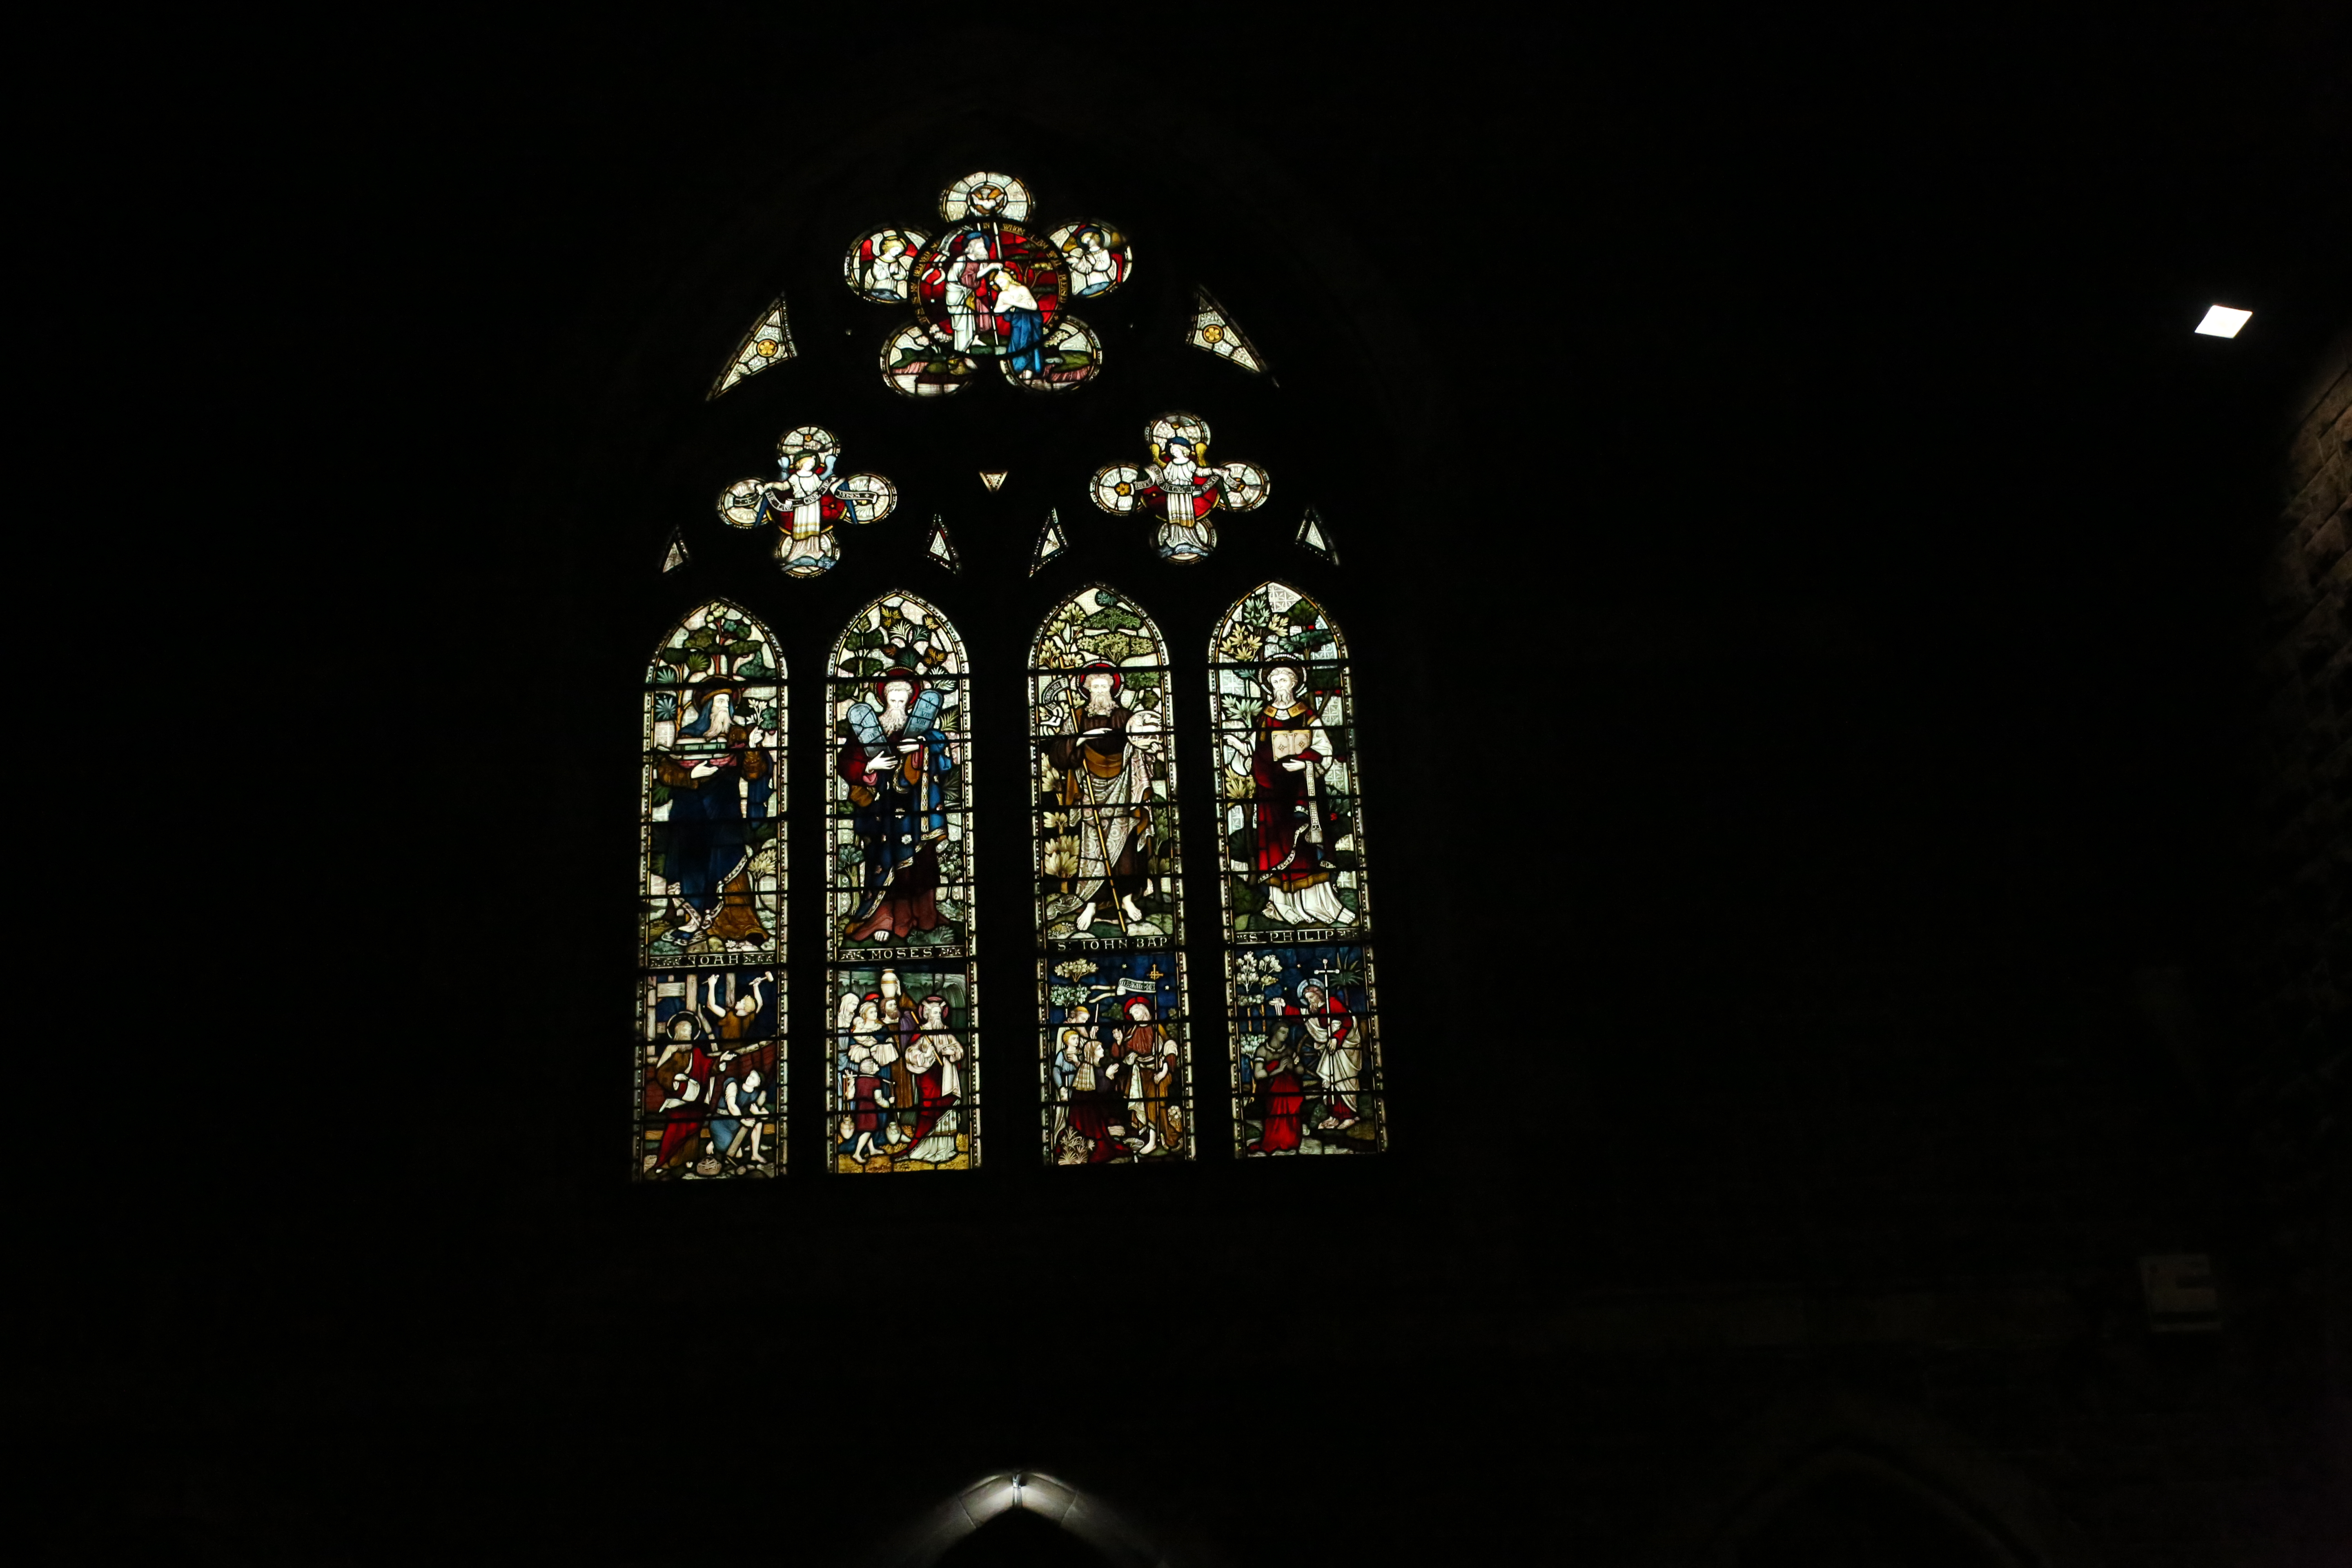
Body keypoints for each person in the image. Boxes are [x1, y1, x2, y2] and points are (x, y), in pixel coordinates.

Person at [1037, 662, 1161, 934]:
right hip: (1090, 790)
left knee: (1126, 846)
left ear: (1113, 690)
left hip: (1124, 787)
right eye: (1096, 687)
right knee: (1092, 848)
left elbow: (1140, 740)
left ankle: (1127, 899)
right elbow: (1058, 753)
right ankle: (1091, 903)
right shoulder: (1077, 718)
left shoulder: (1125, 716)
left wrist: (1144, 745)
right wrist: (1080, 740)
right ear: (1088, 690)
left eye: (1105, 686)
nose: (1101, 691)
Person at [654, 679, 774, 951]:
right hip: (689, 813)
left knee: (730, 860)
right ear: (707, 707)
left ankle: (744, 925)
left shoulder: (738, 736)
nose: (724, 708)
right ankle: (694, 922)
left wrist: (753, 748)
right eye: (719, 702)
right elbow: (665, 772)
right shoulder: (687, 736)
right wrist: (692, 775)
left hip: (724, 811)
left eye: (728, 703)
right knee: (692, 865)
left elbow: (754, 773)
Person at [839, 669, 957, 944]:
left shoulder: (921, 731)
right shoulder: (867, 729)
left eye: (903, 700)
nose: (897, 705)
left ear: (911, 701)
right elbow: (846, 762)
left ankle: (924, 916)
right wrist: (870, 766)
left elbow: (943, 755)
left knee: (922, 863)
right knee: (882, 863)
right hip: (880, 813)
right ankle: (885, 917)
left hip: (917, 812)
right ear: (884, 699)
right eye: (893, 699)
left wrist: (920, 748)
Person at [1243, 660, 1355, 927]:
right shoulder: (1265, 717)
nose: (1279, 686)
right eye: (1275, 682)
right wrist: (1243, 748)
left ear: (1294, 683)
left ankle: (1318, 904)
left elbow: (1324, 748)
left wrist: (1305, 764)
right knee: (1276, 846)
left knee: (1306, 846)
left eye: (1284, 680)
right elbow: (1257, 752)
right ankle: (1282, 905)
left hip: (1304, 789)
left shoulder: (1307, 714)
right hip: (1273, 794)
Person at [704, 973, 776, 1167]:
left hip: (739, 1060)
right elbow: (711, 1006)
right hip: (731, 1060)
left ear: (745, 1007)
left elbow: (758, 1005)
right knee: (723, 1091)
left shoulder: (743, 1016)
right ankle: (719, 1136)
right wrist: (756, 988)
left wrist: (712, 985)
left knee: (738, 1094)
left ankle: (746, 1146)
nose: (737, 1002)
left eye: (741, 1001)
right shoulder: (734, 1015)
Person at [758, 449, 864, 575]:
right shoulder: (795, 477)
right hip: (801, 508)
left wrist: (838, 482)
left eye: (813, 464)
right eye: (809, 463)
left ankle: (815, 551)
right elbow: (784, 486)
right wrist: (770, 485)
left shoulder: (814, 476)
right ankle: (797, 553)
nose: (811, 466)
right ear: (801, 463)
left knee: (813, 529)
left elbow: (824, 488)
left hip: (814, 506)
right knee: (801, 528)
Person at [645, 1013, 713, 1177]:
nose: (687, 1034)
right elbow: (661, 1072)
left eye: (689, 1031)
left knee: (694, 1124)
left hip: (694, 1098)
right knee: (675, 1127)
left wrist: (720, 1063)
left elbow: (707, 1066)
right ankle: (665, 1161)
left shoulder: (696, 1051)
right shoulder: (671, 1049)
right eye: (684, 1031)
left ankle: (689, 1158)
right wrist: (675, 1078)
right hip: (676, 1099)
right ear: (677, 1033)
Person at [902, 994, 967, 1163]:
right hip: (929, 1079)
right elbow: (910, 1054)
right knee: (929, 1111)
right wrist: (926, 1055)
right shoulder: (922, 1032)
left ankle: (946, 1149)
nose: (938, 1016)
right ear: (927, 1014)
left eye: (940, 1013)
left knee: (947, 1109)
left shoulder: (946, 1031)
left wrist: (952, 1052)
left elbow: (960, 1050)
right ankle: (924, 1150)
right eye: (935, 1013)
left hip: (948, 1078)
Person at [1287, 980, 1359, 1131]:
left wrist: (1337, 1038)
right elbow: (1301, 1015)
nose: (1310, 1001)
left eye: (1312, 997)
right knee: (1330, 1082)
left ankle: (1349, 1116)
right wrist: (1283, 1006)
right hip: (1331, 1049)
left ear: (1319, 995)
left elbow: (1347, 1021)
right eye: (1307, 999)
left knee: (1343, 1082)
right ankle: (1335, 1116)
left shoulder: (1333, 1003)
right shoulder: (1314, 1010)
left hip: (1344, 1050)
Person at [1139, 435, 1224, 560]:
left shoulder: (1190, 464)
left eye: (1176, 451)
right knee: (1174, 517)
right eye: (1172, 451)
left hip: (1185, 496)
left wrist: (1212, 471)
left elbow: (1200, 472)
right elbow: (1164, 477)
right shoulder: (1171, 464)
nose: (1174, 453)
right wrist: (1152, 472)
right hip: (1173, 496)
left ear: (1184, 450)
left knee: (1186, 517)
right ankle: (1174, 540)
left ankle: (1191, 540)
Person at [1115, 996, 1181, 1154]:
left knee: (1155, 1105)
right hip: (1141, 1074)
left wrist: (1164, 1071)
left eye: (1136, 1012)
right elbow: (1123, 1053)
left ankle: (1154, 1141)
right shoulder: (1133, 1031)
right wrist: (1120, 1042)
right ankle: (1153, 1138)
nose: (1135, 1016)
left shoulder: (1157, 1027)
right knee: (1145, 1107)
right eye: (1133, 1014)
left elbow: (1170, 1047)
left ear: (1144, 1011)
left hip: (1159, 1073)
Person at [1245, 1020, 1306, 1154]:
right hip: (1270, 1088)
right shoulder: (1263, 1050)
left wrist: (1293, 1067)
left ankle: (1291, 1140)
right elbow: (1259, 1074)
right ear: (1275, 1032)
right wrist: (1278, 1070)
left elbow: (1301, 1070)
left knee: (1290, 1102)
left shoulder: (1289, 1050)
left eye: (1287, 1033)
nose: (1285, 1036)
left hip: (1289, 1088)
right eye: (1283, 1032)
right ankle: (1275, 1139)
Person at [940, 232, 1001, 354]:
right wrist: (990, 267)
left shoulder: (979, 261)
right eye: (980, 247)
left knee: (977, 315)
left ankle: (974, 339)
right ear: (971, 249)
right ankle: (962, 350)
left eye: (984, 247)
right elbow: (968, 280)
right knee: (963, 322)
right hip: (957, 295)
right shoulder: (962, 261)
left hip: (968, 294)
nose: (984, 250)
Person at [990, 267, 1047, 381]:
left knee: (1029, 346)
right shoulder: (1003, 295)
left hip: (1030, 323)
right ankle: (1019, 373)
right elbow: (996, 311)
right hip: (1017, 324)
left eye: (1001, 282)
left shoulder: (1022, 289)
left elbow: (1034, 306)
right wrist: (1012, 304)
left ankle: (1027, 376)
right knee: (1016, 345)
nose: (1000, 285)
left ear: (1008, 279)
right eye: (998, 283)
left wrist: (1013, 303)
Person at [1063, 225, 1124, 297]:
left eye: (1089, 241)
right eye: (1086, 242)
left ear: (1095, 238)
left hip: (1103, 281)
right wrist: (1077, 262)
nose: (1088, 243)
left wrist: (1094, 263)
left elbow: (1106, 265)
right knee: (1083, 294)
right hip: (1091, 283)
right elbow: (1085, 269)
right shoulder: (1086, 255)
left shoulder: (1104, 252)